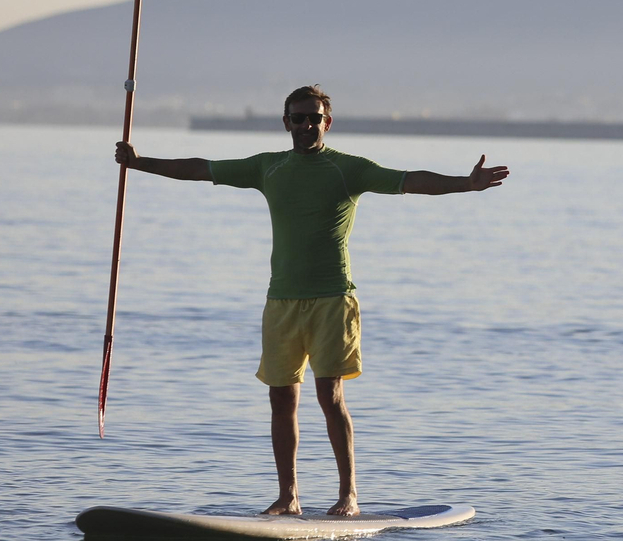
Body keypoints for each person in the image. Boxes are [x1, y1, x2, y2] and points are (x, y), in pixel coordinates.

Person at [115, 85, 509, 516]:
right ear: (286, 122)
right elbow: (200, 169)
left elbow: (409, 181)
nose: (306, 126)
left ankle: (349, 494)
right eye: (298, 119)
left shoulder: (347, 169)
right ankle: (289, 497)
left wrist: (465, 185)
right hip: (281, 301)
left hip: (332, 300)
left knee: (330, 395)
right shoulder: (268, 168)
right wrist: (139, 163)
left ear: (327, 122)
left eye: (313, 119)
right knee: (281, 399)